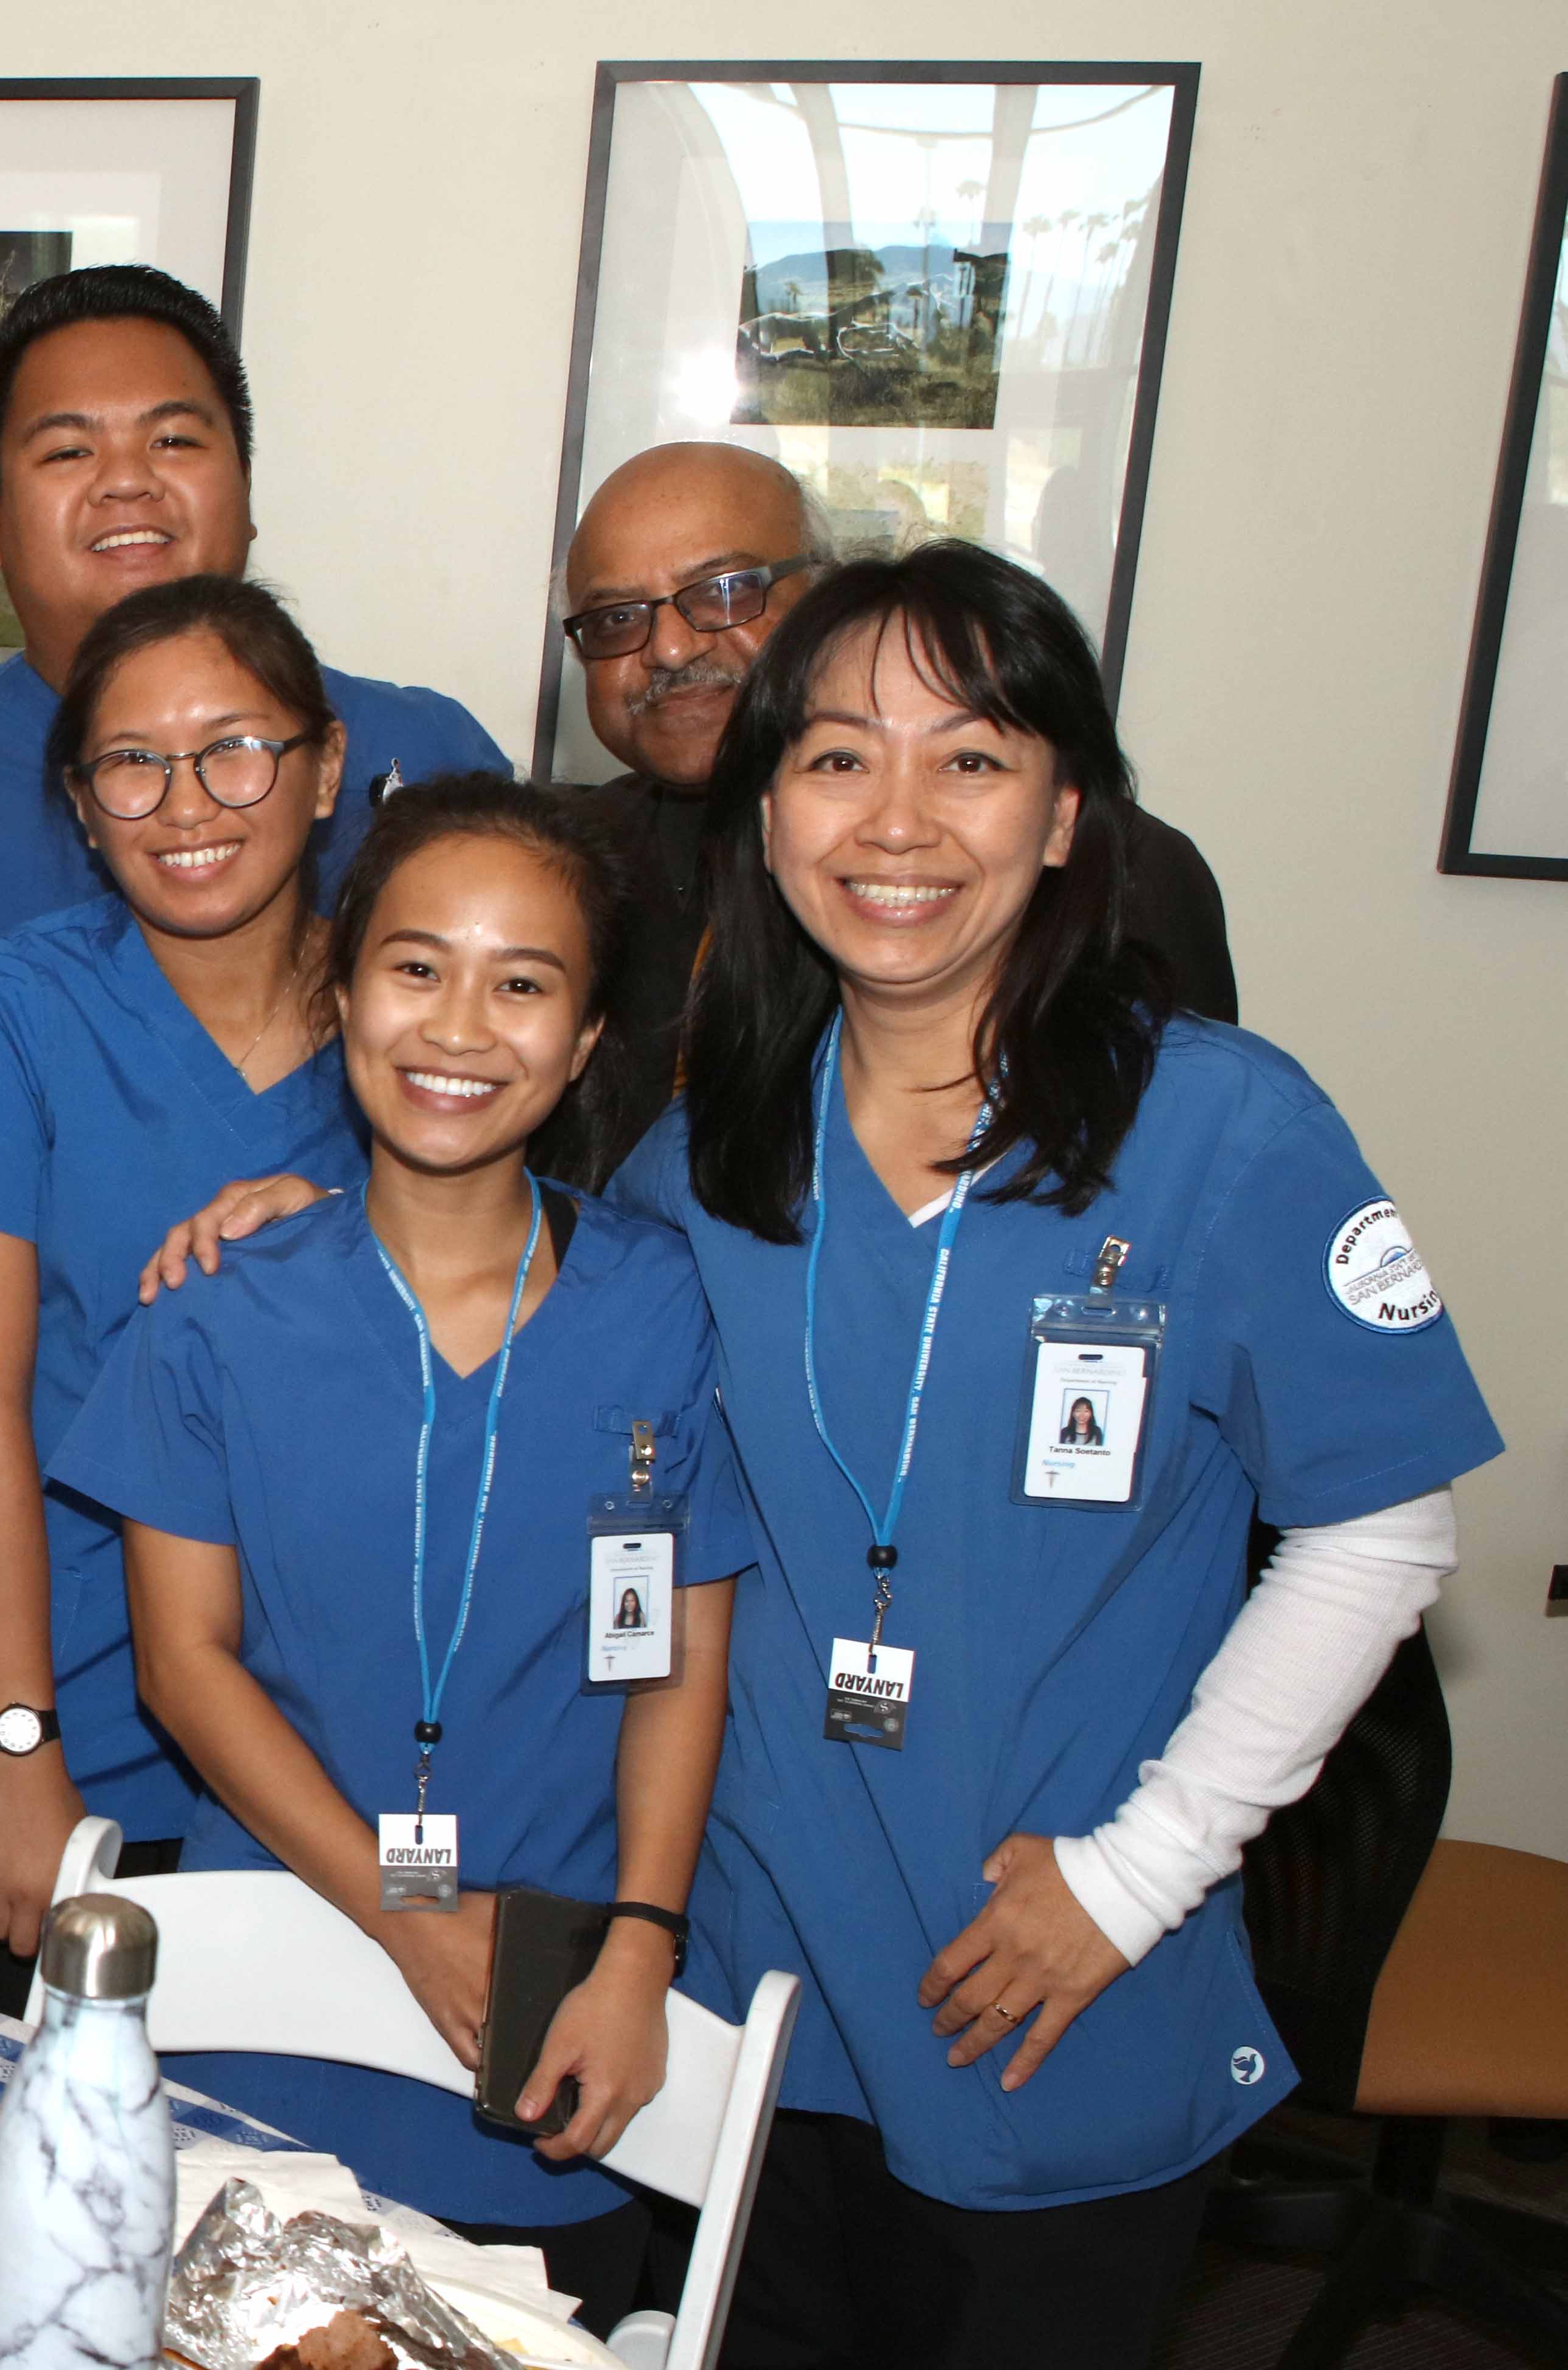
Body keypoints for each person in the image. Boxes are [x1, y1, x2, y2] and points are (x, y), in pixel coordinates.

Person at [616, 543, 1493, 2369]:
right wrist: (272, 1231)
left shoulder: (1216, 1126)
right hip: (746, 1966)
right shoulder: (709, 1150)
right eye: (838, 756)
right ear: (765, 810)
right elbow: (514, 1368)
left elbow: (1380, 1527)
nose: (898, 818)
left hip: (1045, 1972)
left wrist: (1137, 1870)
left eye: (972, 755)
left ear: (1066, 809)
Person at [74, 781, 747, 2324]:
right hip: (271, 1986)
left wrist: (642, 1947)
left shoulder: (665, 1304)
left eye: (524, 982)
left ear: (584, 1043)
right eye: (416, 965)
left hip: (559, 2014)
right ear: (342, 990)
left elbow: (680, 1661)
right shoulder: (216, 1306)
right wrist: (403, 1915)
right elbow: (186, 1665)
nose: (460, 1024)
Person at [0, 576, 367, 2008]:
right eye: (131, 761)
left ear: (323, 767)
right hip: (38, 1704)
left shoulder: (409, 1023)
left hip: (306, 1738)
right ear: (81, 803)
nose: (186, 802)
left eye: (235, 747)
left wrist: (359, 1213)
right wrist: (19, 1749)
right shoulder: (13, 1012)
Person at [553, 440, 1237, 1156]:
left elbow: (1174, 1176)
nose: (666, 648)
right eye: (615, 619)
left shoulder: (1094, 862)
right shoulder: (568, 868)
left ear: (828, 594)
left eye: (724, 592)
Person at [0, 265, 509, 954]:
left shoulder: (425, 752)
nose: (126, 481)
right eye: (69, 450)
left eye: (174, 441)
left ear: (246, 488)